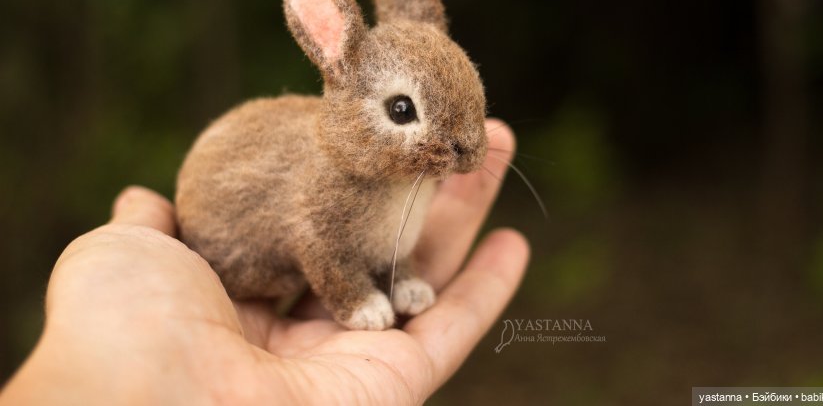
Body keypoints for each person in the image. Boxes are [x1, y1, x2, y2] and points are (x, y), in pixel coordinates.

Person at [1, 121, 528, 405]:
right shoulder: (333, 184)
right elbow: (317, 240)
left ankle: (398, 275)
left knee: (391, 237)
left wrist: (400, 266)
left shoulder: (410, 184)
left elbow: (393, 233)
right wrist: (350, 297)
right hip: (241, 251)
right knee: (329, 238)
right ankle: (357, 292)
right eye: (402, 113)